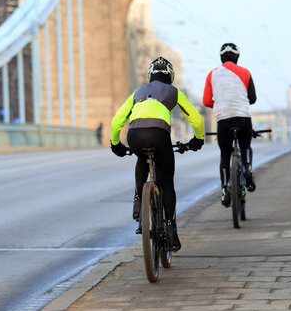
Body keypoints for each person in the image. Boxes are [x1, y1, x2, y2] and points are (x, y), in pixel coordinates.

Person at [110, 57, 204, 251]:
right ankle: (170, 229)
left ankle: (138, 199)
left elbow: (117, 120)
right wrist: (198, 139)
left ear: (150, 75)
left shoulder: (138, 92)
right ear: (170, 77)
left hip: (134, 136)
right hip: (159, 136)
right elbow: (195, 119)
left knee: (142, 157)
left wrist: (116, 144)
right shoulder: (174, 92)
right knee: (167, 182)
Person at [202, 43, 257, 207]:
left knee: (225, 155)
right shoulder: (245, 72)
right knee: (245, 146)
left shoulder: (212, 74)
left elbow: (206, 101)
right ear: (237, 57)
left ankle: (225, 190)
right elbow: (252, 98)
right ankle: (247, 168)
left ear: (221, 58)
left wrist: (221, 104)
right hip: (243, 119)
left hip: (224, 121)